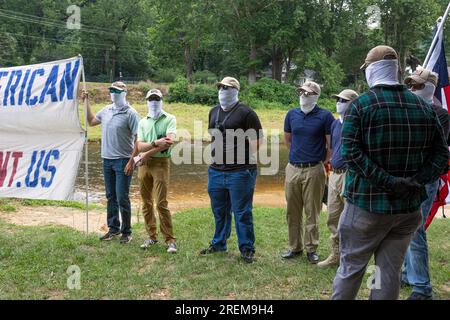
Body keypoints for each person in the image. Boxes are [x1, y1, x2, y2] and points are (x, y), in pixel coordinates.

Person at [332, 46, 448, 300]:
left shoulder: (361, 106)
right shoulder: (425, 107)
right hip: (407, 210)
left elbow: (351, 153)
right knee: (387, 271)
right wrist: (416, 181)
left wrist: (389, 182)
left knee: (352, 269)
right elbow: (442, 156)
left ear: (371, 70)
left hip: (367, 208)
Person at [200, 77, 263, 264]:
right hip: (216, 171)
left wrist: (238, 158)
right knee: (219, 210)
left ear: (235, 91)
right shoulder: (213, 112)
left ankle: (247, 249)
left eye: (226, 88)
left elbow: (257, 142)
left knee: (242, 212)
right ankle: (219, 243)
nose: (222, 90)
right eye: (220, 87)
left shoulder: (247, 113)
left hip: (241, 172)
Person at [402, 68, 450, 300]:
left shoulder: (439, 114)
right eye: (410, 86)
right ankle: (405, 273)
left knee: (414, 229)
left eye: (417, 86)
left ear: (430, 87)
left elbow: (431, 149)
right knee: (401, 228)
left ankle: (422, 287)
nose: (412, 90)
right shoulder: (409, 110)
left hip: (425, 180)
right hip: (405, 178)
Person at [282, 81, 335, 264]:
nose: (303, 96)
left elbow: (331, 145)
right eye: (301, 92)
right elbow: (288, 140)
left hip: (314, 169)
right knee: (292, 211)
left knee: (312, 211)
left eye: (308, 93)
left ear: (315, 95)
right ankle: (294, 247)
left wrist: (321, 162)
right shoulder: (291, 114)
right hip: (293, 168)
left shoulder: (326, 116)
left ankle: (311, 248)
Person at [82, 81, 140, 244]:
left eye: (116, 90)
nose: (113, 93)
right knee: (110, 196)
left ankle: (126, 232)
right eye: (111, 90)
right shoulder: (106, 110)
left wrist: (132, 160)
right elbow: (92, 121)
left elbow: (138, 139)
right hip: (106, 159)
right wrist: (86, 102)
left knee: (122, 197)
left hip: (123, 161)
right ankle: (113, 228)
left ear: (124, 93)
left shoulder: (131, 113)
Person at [318, 89, 359, 268]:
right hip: (334, 173)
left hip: (350, 174)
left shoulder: (358, 124)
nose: (339, 102)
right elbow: (333, 148)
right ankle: (336, 254)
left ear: (352, 103)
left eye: (343, 100)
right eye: (338, 99)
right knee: (332, 216)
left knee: (351, 217)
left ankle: (351, 256)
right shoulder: (335, 124)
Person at [136, 89, 178, 254]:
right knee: (146, 203)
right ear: (147, 101)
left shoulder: (169, 118)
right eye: (151, 99)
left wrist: (147, 151)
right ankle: (151, 236)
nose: (154, 101)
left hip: (160, 163)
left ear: (161, 100)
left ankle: (170, 240)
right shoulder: (142, 122)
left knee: (161, 203)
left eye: (156, 98)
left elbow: (169, 142)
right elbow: (139, 145)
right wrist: (154, 143)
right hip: (144, 165)